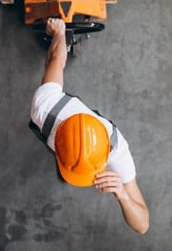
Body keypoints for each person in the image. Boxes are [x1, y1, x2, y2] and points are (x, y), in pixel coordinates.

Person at [30, 18, 149, 234]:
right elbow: (56, 59)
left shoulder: (118, 153)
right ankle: (67, 165)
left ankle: (69, 166)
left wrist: (122, 193)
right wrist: (60, 34)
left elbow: (143, 225)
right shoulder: (45, 108)